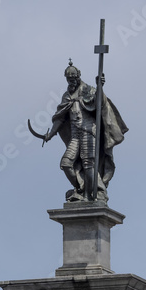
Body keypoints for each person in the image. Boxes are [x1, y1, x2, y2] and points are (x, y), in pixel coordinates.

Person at [44, 60, 127, 202]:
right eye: (69, 79)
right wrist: (50, 134)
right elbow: (60, 118)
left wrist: (100, 86)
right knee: (66, 163)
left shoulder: (88, 90)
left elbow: (100, 103)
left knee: (89, 165)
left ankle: (93, 194)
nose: (71, 81)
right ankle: (81, 190)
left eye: (73, 78)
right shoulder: (67, 96)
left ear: (78, 76)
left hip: (89, 131)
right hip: (75, 135)